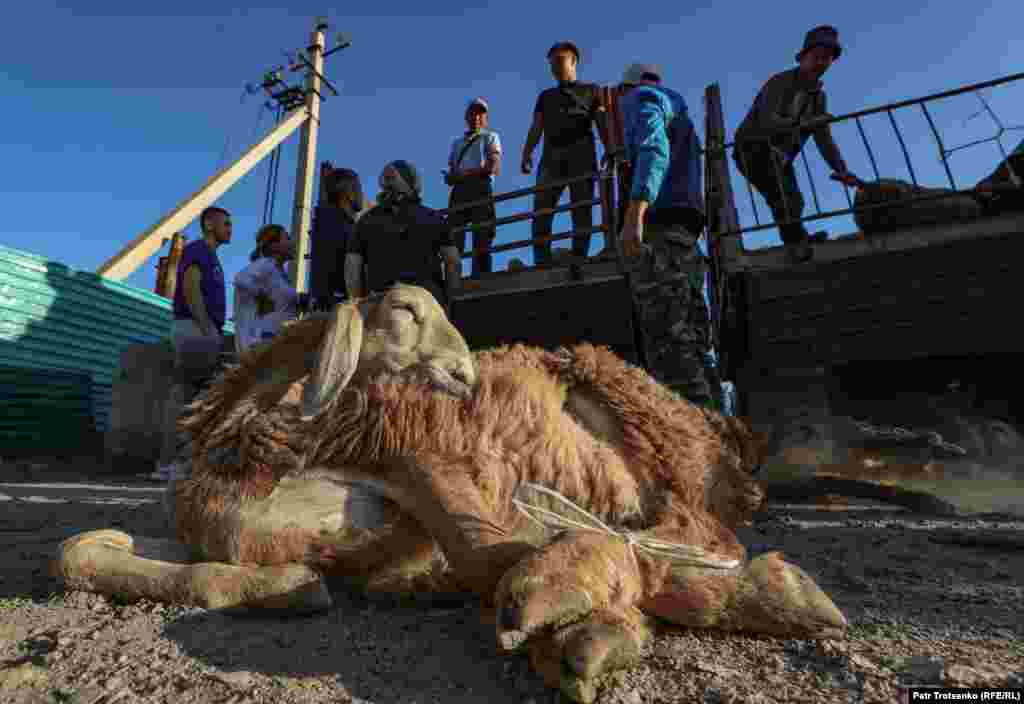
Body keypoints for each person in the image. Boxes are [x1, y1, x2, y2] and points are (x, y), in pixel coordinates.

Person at [617, 63, 722, 407]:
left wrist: (635, 213)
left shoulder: (640, 99)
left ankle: (691, 432)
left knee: (668, 342)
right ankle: (719, 426)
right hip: (685, 234)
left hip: (659, 228)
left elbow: (653, 148)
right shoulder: (680, 115)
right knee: (695, 341)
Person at [733, 25, 861, 263]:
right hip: (752, 147)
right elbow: (767, 121)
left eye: (827, 58)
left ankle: (797, 238)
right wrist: (806, 123)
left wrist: (842, 170)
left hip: (779, 155)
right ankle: (796, 243)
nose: (822, 62)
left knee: (791, 198)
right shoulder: (781, 82)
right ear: (803, 57)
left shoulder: (818, 97)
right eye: (817, 56)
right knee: (787, 196)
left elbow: (824, 138)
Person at [153, 205, 231, 481]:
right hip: (196, 328)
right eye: (225, 223)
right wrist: (206, 327)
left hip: (201, 328)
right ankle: (170, 463)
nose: (229, 229)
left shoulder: (210, 255)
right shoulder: (198, 250)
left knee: (195, 396)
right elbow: (189, 287)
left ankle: (177, 463)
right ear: (209, 225)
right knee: (187, 394)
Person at [521, 41, 610, 265]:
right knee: (542, 210)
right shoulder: (546, 96)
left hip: (582, 156)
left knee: (581, 209)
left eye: (559, 61)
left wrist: (610, 148)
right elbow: (537, 126)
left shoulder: (592, 90)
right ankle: (541, 260)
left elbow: (601, 120)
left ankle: (579, 257)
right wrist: (527, 153)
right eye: (551, 64)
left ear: (573, 62)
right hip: (551, 158)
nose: (554, 67)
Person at [345, 160, 462, 307]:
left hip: (381, 299)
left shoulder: (365, 221)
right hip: (426, 298)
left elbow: (352, 267)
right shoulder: (434, 218)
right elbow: (453, 261)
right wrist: (449, 301)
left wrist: (357, 305)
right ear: (413, 184)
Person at [445, 97, 502, 277]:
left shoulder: (490, 136)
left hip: (480, 186)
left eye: (480, 114)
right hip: (460, 189)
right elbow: (452, 173)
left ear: (486, 118)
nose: (476, 117)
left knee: (482, 235)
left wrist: (463, 174)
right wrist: (451, 177)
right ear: (466, 117)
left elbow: (494, 167)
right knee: (454, 238)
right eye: (473, 113)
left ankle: (481, 278)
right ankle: (453, 278)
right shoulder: (457, 143)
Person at [233, 224, 299, 353]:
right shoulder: (265, 264)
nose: (292, 242)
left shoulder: (281, 275)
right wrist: (262, 295)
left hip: (276, 340)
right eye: (287, 238)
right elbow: (240, 278)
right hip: (263, 342)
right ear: (274, 246)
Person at [310, 165, 364, 310]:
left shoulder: (333, 221)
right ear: (347, 192)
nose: (361, 195)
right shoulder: (334, 224)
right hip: (337, 307)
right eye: (358, 188)